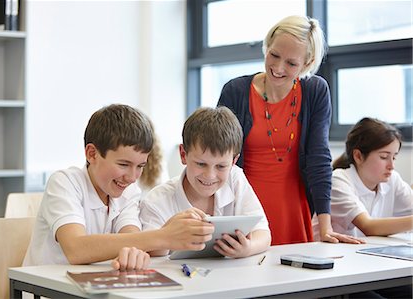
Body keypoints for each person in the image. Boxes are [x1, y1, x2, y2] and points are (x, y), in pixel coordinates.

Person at [217, 15, 362, 245]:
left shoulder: (315, 91)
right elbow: (219, 157)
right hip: (243, 206)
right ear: (267, 45)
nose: (278, 68)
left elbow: (318, 157)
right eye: (274, 55)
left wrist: (326, 228)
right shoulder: (235, 91)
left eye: (291, 63)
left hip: (292, 208)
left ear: (307, 63)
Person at [23, 104, 214, 269]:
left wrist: (133, 254)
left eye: (140, 166)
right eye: (123, 164)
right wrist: (164, 236)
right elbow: (76, 249)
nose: (132, 177)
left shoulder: (129, 192)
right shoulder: (65, 182)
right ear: (92, 154)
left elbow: (131, 239)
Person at [140, 106, 271, 258]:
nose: (210, 175)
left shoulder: (234, 178)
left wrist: (248, 248)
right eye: (201, 164)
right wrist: (167, 234)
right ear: (183, 154)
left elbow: (263, 233)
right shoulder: (157, 200)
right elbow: (151, 252)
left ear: (234, 161)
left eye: (221, 166)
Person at [313, 117, 412, 239]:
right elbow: (368, 226)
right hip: (328, 254)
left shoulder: (393, 179)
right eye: (384, 157)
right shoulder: (339, 181)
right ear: (358, 156)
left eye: (394, 157)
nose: (391, 166)